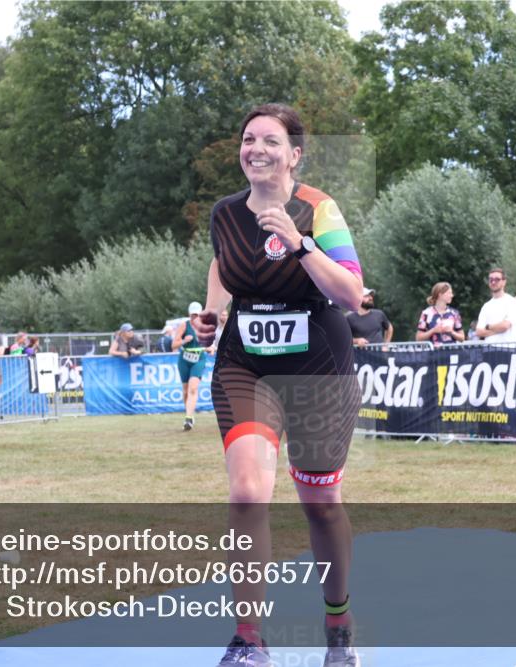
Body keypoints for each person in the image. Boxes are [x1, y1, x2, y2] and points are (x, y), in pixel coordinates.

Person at [189, 103, 363, 667]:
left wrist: (299, 242)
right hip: (248, 365)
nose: (256, 148)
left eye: (270, 140)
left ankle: (338, 625)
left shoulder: (319, 209)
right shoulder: (225, 213)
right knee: (247, 491)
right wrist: (212, 313)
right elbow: (222, 264)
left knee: (321, 504)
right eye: (248, 139)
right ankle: (249, 640)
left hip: (316, 369)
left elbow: (351, 295)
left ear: (294, 155)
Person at [174, 302, 213, 431]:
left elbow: (210, 343)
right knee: (185, 390)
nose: (194, 317)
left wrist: (210, 348)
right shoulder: (184, 325)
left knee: (193, 387)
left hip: (199, 359)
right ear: (189, 314)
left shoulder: (206, 326)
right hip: (184, 359)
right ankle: (189, 414)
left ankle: (188, 418)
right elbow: (173, 345)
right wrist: (185, 340)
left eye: (197, 315)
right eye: (192, 315)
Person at [475, 268, 516, 343]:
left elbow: (505, 326)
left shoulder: (512, 302)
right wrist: (497, 330)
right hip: (488, 348)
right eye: (491, 279)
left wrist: (488, 327)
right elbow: (479, 332)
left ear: (504, 282)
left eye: (497, 279)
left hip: (506, 348)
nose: (493, 282)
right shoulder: (486, 306)